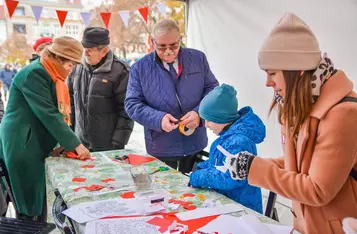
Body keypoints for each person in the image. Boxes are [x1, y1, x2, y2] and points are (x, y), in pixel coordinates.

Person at [223, 13, 357, 234]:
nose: (268, 82)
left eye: (272, 73)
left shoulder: (343, 114)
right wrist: (253, 164)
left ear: (298, 69)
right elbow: (303, 162)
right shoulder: (303, 103)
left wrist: (255, 169)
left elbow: (316, 189)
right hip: (309, 225)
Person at [0, 36, 90, 221]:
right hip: (23, 143)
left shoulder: (51, 75)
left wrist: (64, 142)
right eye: (70, 64)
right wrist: (75, 144)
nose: (71, 70)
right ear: (57, 58)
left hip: (34, 140)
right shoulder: (34, 74)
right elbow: (48, 113)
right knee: (29, 197)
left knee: (38, 196)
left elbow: (56, 114)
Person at [125, 19, 219, 173]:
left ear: (180, 40)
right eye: (162, 47)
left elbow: (213, 90)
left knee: (194, 192)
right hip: (161, 146)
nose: (168, 51)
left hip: (194, 142)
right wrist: (158, 119)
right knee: (164, 193)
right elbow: (132, 104)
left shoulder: (198, 59)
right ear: (152, 42)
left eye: (173, 46)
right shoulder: (139, 68)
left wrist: (198, 114)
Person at [189, 84, 265, 213]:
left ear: (221, 118)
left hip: (242, 209)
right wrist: (204, 167)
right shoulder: (227, 137)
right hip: (228, 203)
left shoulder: (239, 142)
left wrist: (200, 177)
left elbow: (231, 178)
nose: (206, 125)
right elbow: (221, 163)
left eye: (209, 120)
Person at [67, 27, 134, 152]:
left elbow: (127, 110)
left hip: (107, 145)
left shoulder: (121, 71)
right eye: (84, 50)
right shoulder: (76, 67)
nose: (85, 54)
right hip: (79, 143)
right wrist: (70, 136)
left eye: (90, 50)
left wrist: (117, 143)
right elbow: (69, 102)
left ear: (103, 51)